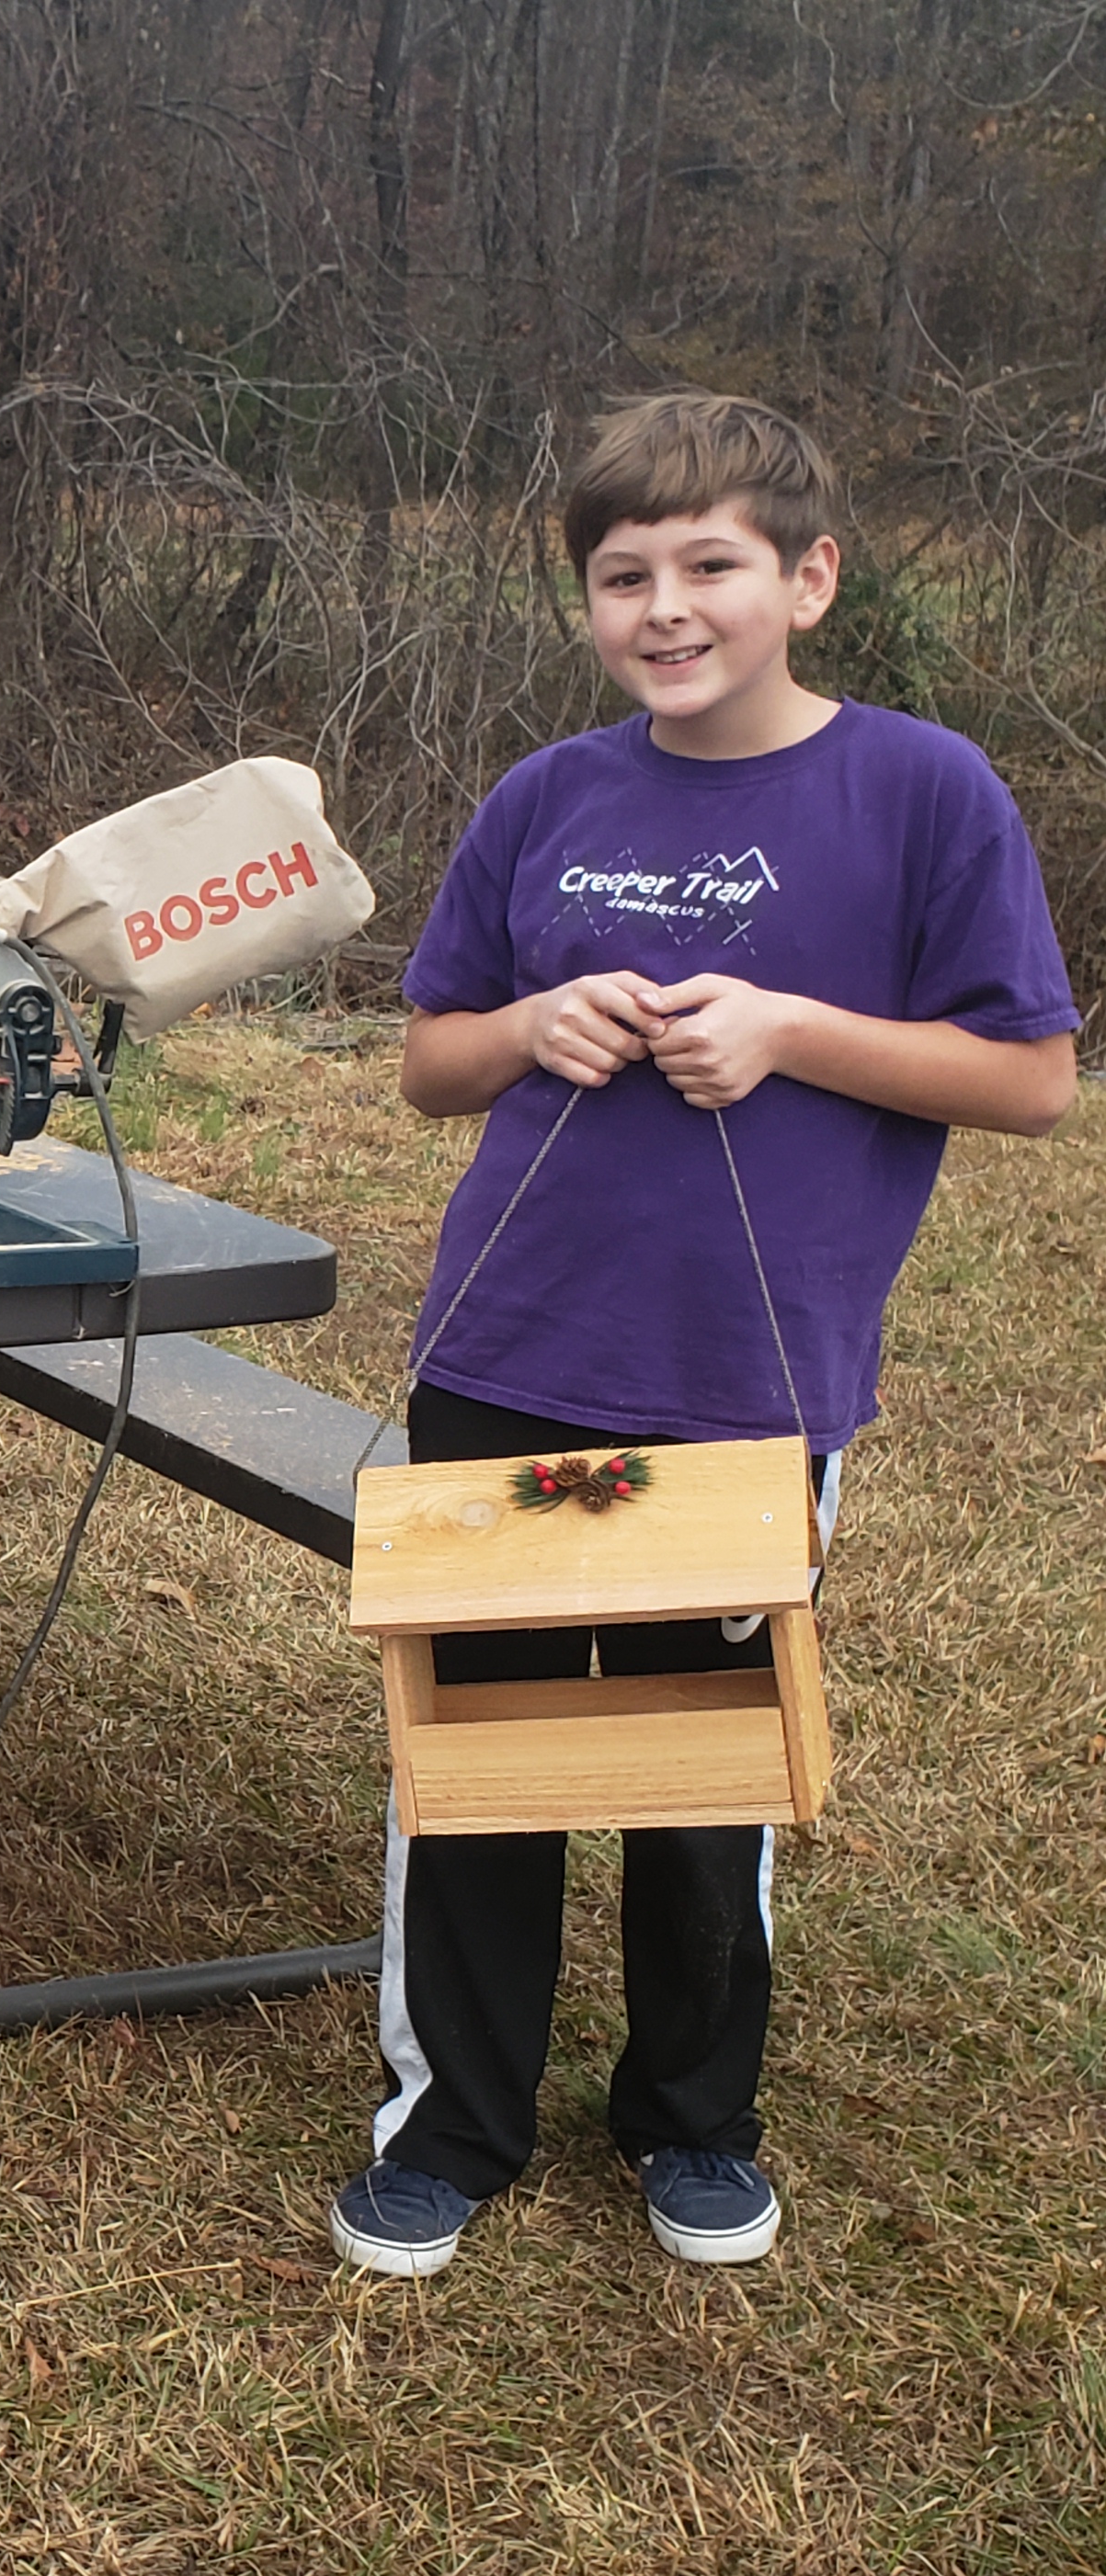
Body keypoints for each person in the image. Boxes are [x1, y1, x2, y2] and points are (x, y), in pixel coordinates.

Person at [330, 393, 1079, 2280]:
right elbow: (431, 1059)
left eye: (711, 566)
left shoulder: (923, 792)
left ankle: (691, 2120)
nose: (667, 607)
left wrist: (791, 1031)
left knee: (702, 1764)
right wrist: (529, 1031)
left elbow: (1031, 1080)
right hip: (508, 1353)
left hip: (746, 1383)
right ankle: (450, 2124)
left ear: (808, 580)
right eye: (623, 574)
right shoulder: (547, 799)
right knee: (474, 1753)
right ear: (587, 599)